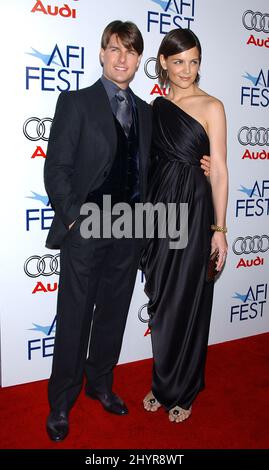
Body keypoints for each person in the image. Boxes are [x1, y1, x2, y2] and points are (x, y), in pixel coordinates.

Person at [44, 21, 211, 441]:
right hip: (86, 226)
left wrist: (201, 164)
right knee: (75, 318)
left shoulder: (147, 111)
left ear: (140, 60)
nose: (122, 58)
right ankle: (62, 402)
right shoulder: (76, 103)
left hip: (131, 228)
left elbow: (169, 159)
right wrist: (71, 220)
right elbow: (57, 169)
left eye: (131, 52)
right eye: (115, 49)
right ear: (102, 54)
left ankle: (101, 384)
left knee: (114, 316)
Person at [141, 28, 228, 423]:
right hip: (160, 210)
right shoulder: (154, 109)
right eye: (178, 62)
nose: (187, 70)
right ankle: (163, 382)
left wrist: (220, 230)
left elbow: (221, 171)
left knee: (188, 297)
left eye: (194, 61)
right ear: (162, 62)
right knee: (161, 299)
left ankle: (185, 388)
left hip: (194, 209)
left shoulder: (212, 106)